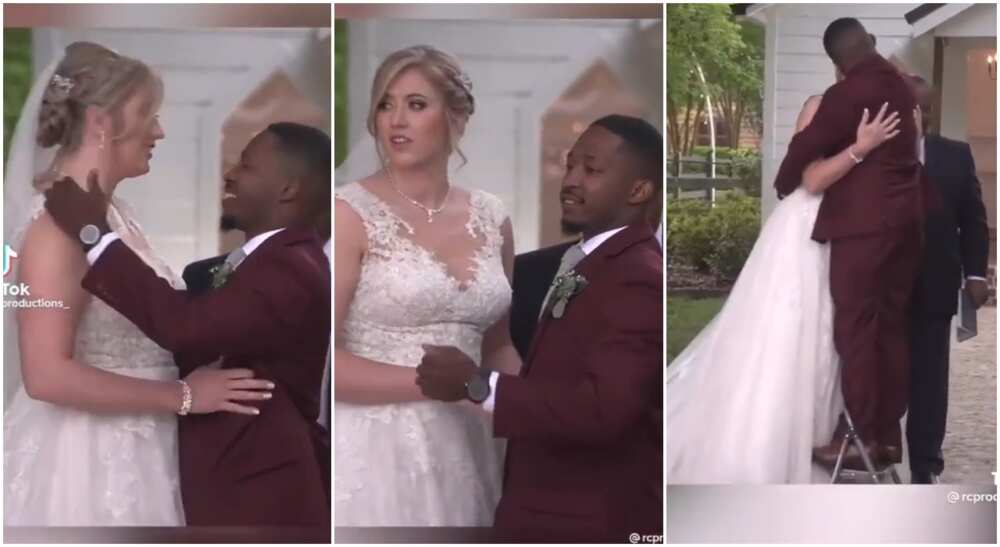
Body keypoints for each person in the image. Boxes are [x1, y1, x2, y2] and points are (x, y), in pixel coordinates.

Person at [3, 42, 274, 526]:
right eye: (148, 114)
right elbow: (45, 376)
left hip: (140, 446)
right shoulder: (54, 230)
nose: (159, 130)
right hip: (85, 463)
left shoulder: (110, 215)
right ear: (102, 123)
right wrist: (186, 396)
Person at [417, 115, 664, 540]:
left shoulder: (636, 275)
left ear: (638, 190)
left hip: (590, 518)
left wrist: (478, 385)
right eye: (570, 166)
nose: (571, 180)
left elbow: (605, 409)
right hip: (542, 503)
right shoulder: (593, 260)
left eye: (591, 169)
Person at [666, 86, 908, 482]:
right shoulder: (818, 106)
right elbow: (811, 179)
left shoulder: (881, 110)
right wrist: (861, 148)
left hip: (851, 232)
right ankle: (772, 444)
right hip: (807, 229)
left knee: (836, 336)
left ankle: (834, 438)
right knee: (790, 333)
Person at [333, 45, 517, 526]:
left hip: (473, 444)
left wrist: (543, 410)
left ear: (457, 116)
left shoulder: (492, 217)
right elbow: (325, 362)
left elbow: (499, 348)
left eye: (416, 104)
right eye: (385, 104)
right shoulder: (347, 214)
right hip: (376, 453)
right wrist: (448, 387)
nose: (396, 121)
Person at [773, 18, 926, 469]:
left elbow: (806, 147)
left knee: (855, 330)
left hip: (864, 230)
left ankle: (857, 438)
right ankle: (888, 437)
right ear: (870, 42)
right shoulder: (901, 87)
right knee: (891, 329)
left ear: (836, 61)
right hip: (905, 229)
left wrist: (783, 185)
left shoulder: (849, 94)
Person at [905, 75, 990, 484]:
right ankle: (876, 452)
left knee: (929, 379)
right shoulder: (872, 153)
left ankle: (925, 465)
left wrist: (975, 273)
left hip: (935, 285)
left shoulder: (956, 157)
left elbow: (973, 221)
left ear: (927, 112)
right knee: (879, 375)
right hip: (881, 289)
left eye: (916, 107)